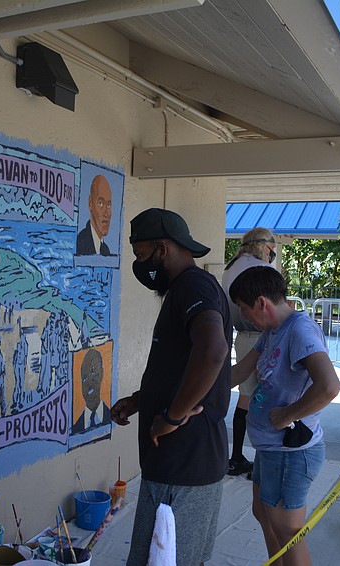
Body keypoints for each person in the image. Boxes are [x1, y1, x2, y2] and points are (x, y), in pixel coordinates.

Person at [111, 208, 232, 566]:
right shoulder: (186, 288)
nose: (141, 266)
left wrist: (174, 416)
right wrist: (140, 400)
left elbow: (212, 351)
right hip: (179, 461)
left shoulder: (193, 286)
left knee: (163, 560)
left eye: (142, 255)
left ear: (162, 250)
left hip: (183, 461)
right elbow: (182, 363)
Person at [229, 266, 340, 566]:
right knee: (264, 514)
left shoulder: (299, 330)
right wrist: (197, 387)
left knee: (287, 530)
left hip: (291, 453)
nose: (245, 317)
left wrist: (287, 415)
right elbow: (240, 372)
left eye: (244, 309)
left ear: (262, 303)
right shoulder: (272, 332)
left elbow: (329, 387)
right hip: (270, 449)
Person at [221, 227, 278, 477]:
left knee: (245, 397)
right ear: (265, 246)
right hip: (262, 336)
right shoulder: (262, 269)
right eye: (272, 249)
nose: (272, 254)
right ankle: (262, 459)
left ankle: (236, 457)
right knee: (265, 397)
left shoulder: (230, 267)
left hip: (240, 337)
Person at [71, 348, 111, 434]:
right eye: (84, 378)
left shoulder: (111, 418)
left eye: (93, 372)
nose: (89, 381)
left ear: (102, 374)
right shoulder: (75, 429)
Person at [76, 175, 113, 255]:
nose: (106, 213)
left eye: (108, 205)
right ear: (90, 204)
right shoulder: (79, 244)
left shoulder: (105, 250)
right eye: (100, 203)